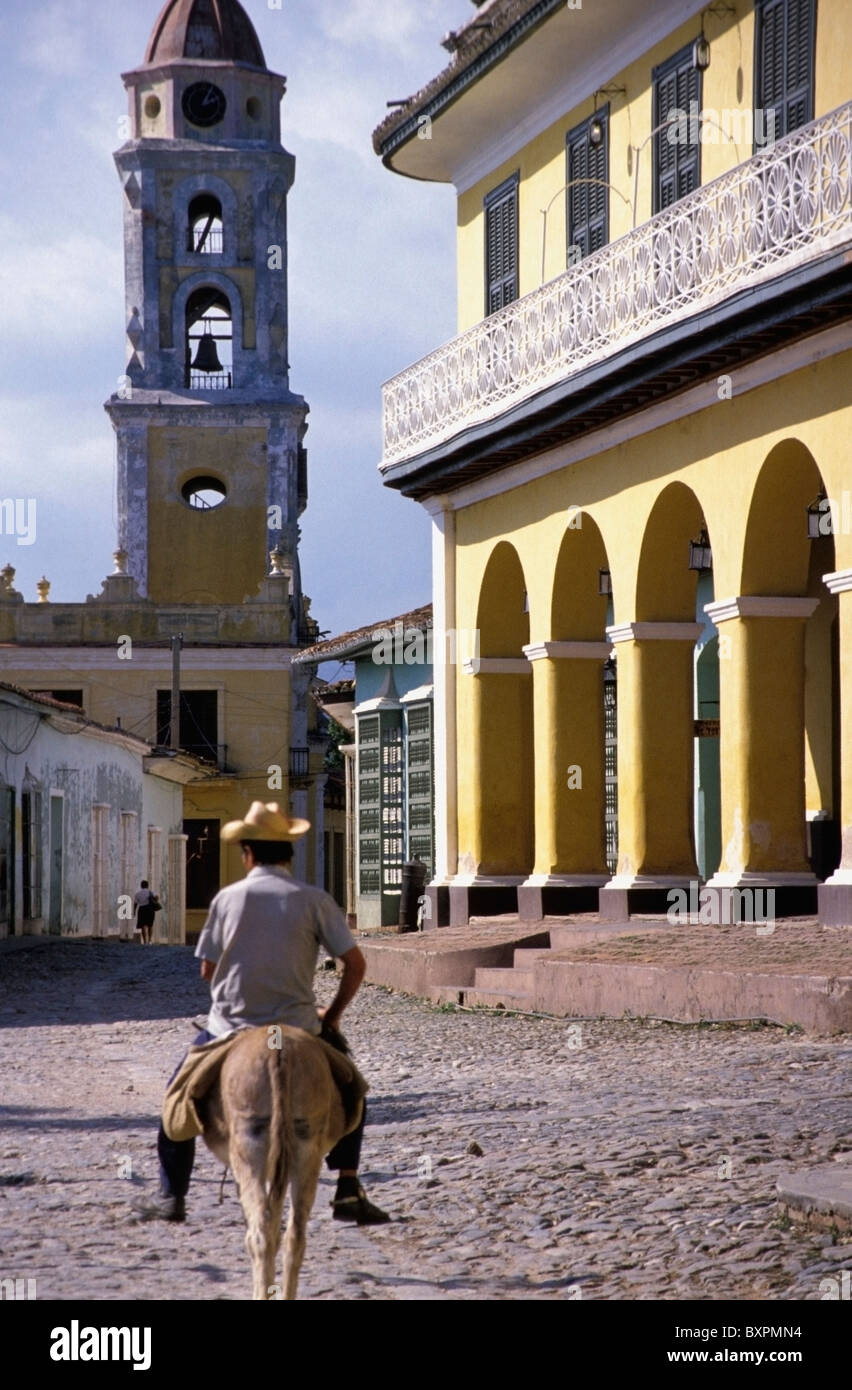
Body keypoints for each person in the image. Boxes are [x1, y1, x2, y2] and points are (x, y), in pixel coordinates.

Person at [136, 802, 389, 1227]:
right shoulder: (314, 901)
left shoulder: (227, 899)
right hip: (300, 1026)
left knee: (175, 1101)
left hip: (230, 1029)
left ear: (247, 853)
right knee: (352, 1090)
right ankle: (347, 1187)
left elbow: (207, 970)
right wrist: (331, 1017)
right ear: (288, 852)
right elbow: (356, 964)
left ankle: (171, 1196)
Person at [133, 880, 158, 946]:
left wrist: (134, 911)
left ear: (141, 886)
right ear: (147, 885)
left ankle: (144, 941)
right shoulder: (151, 892)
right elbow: (156, 897)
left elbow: (135, 903)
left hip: (142, 909)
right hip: (150, 909)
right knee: (150, 925)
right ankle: (150, 940)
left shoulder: (138, 893)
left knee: (143, 925)